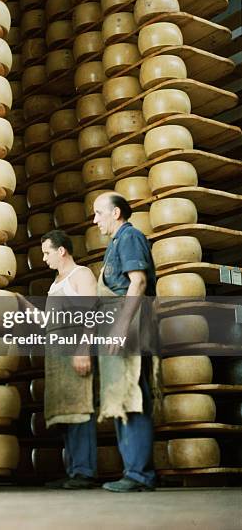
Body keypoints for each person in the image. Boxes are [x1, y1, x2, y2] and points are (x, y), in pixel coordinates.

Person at [92, 191, 157, 493]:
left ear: (116, 213)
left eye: (98, 213)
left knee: (132, 394)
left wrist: (120, 326)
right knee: (121, 395)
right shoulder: (116, 242)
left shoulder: (129, 237)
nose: (95, 220)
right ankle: (132, 471)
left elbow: (138, 282)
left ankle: (139, 475)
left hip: (127, 321)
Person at [40, 230, 99, 490]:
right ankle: (74, 471)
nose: (44, 259)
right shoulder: (56, 281)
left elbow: (92, 314)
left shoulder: (81, 275)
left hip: (75, 349)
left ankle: (85, 472)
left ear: (61, 250)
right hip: (57, 357)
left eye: (46, 252)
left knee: (80, 410)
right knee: (65, 414)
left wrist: (84, 349)